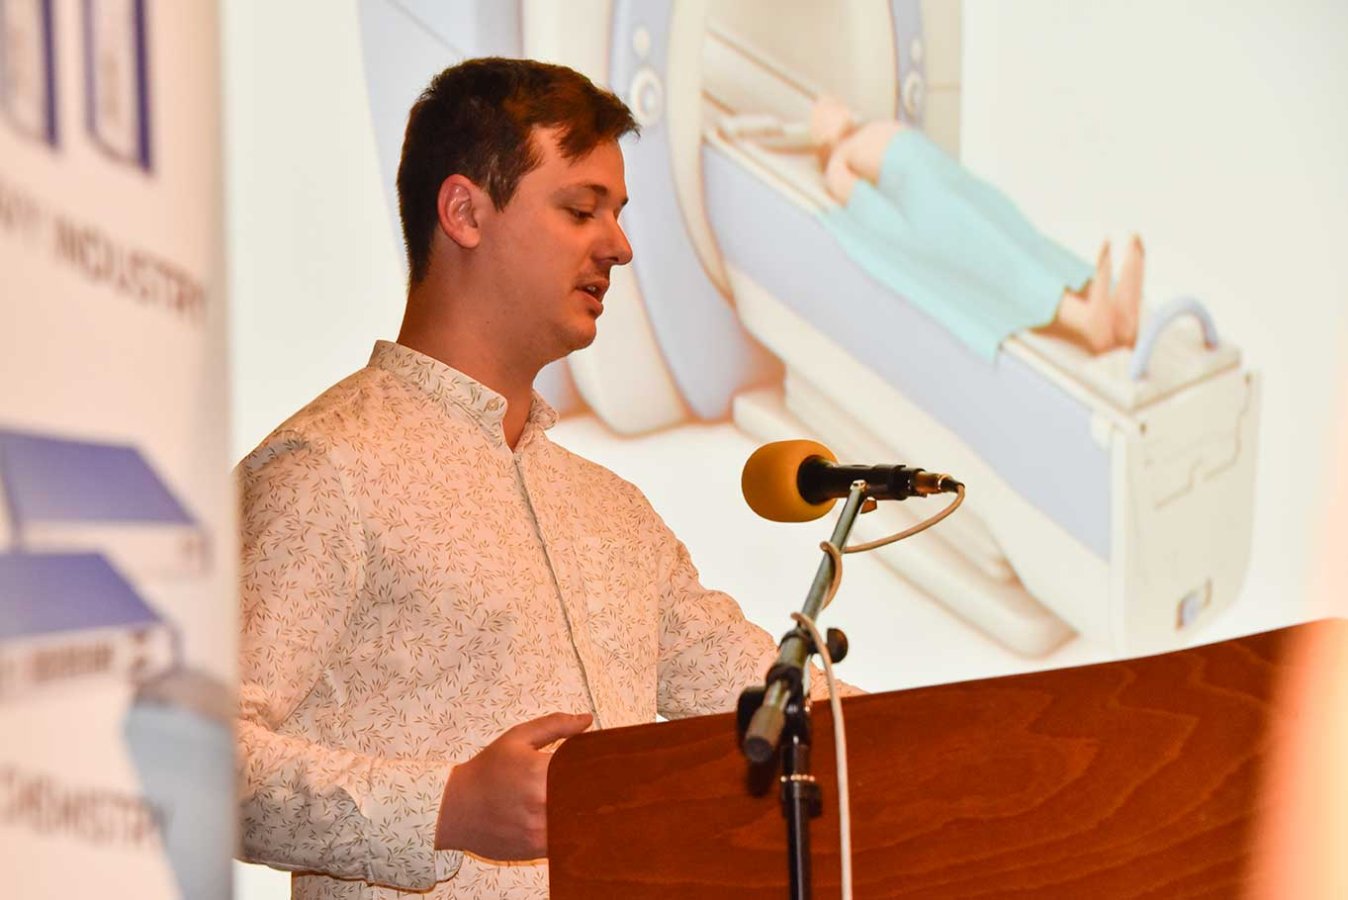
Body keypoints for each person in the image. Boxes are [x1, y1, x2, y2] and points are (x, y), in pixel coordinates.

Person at [235, 58, 834, 898]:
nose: (619, 246)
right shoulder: (326, 467)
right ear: (464, 212)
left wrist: (977, 741)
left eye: (618, 215)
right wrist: (444, 807)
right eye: (581, 209)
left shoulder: (614, 514)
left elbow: (782, 707)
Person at [727, 97, 1145, 357]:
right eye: (823, 112)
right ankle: (1084, 320)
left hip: (956, 186)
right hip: (934, 210)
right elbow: (868, 209)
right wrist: (913, 236)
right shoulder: (840, 159)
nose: (833, 106)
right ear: (819, 137)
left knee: (1020, 235)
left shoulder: (869, 129)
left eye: (833, 103)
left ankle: (1113, 308)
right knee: (1001, 260)